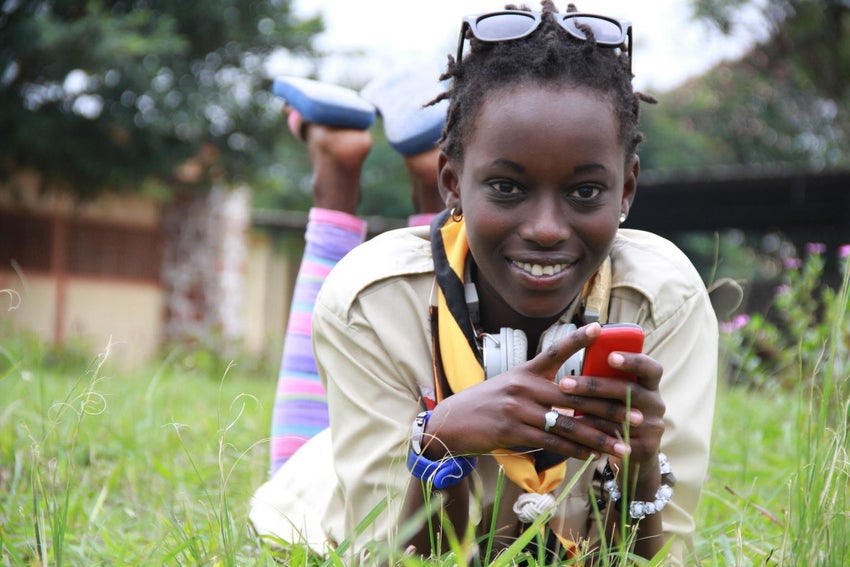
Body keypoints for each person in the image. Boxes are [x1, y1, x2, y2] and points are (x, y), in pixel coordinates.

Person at [251, 2, 718, 564]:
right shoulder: (369, 299)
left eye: (585, 192)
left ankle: (423, 172)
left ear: (626, 190)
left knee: (475, 248)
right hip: (320, 497)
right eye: (507, 186)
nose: (547, 229)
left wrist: (640, 470)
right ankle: (336, 164)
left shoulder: (665, 302)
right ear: (453, 182)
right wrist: (439, 446)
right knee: (304, 442)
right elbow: (391, 557)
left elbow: (656, 558)